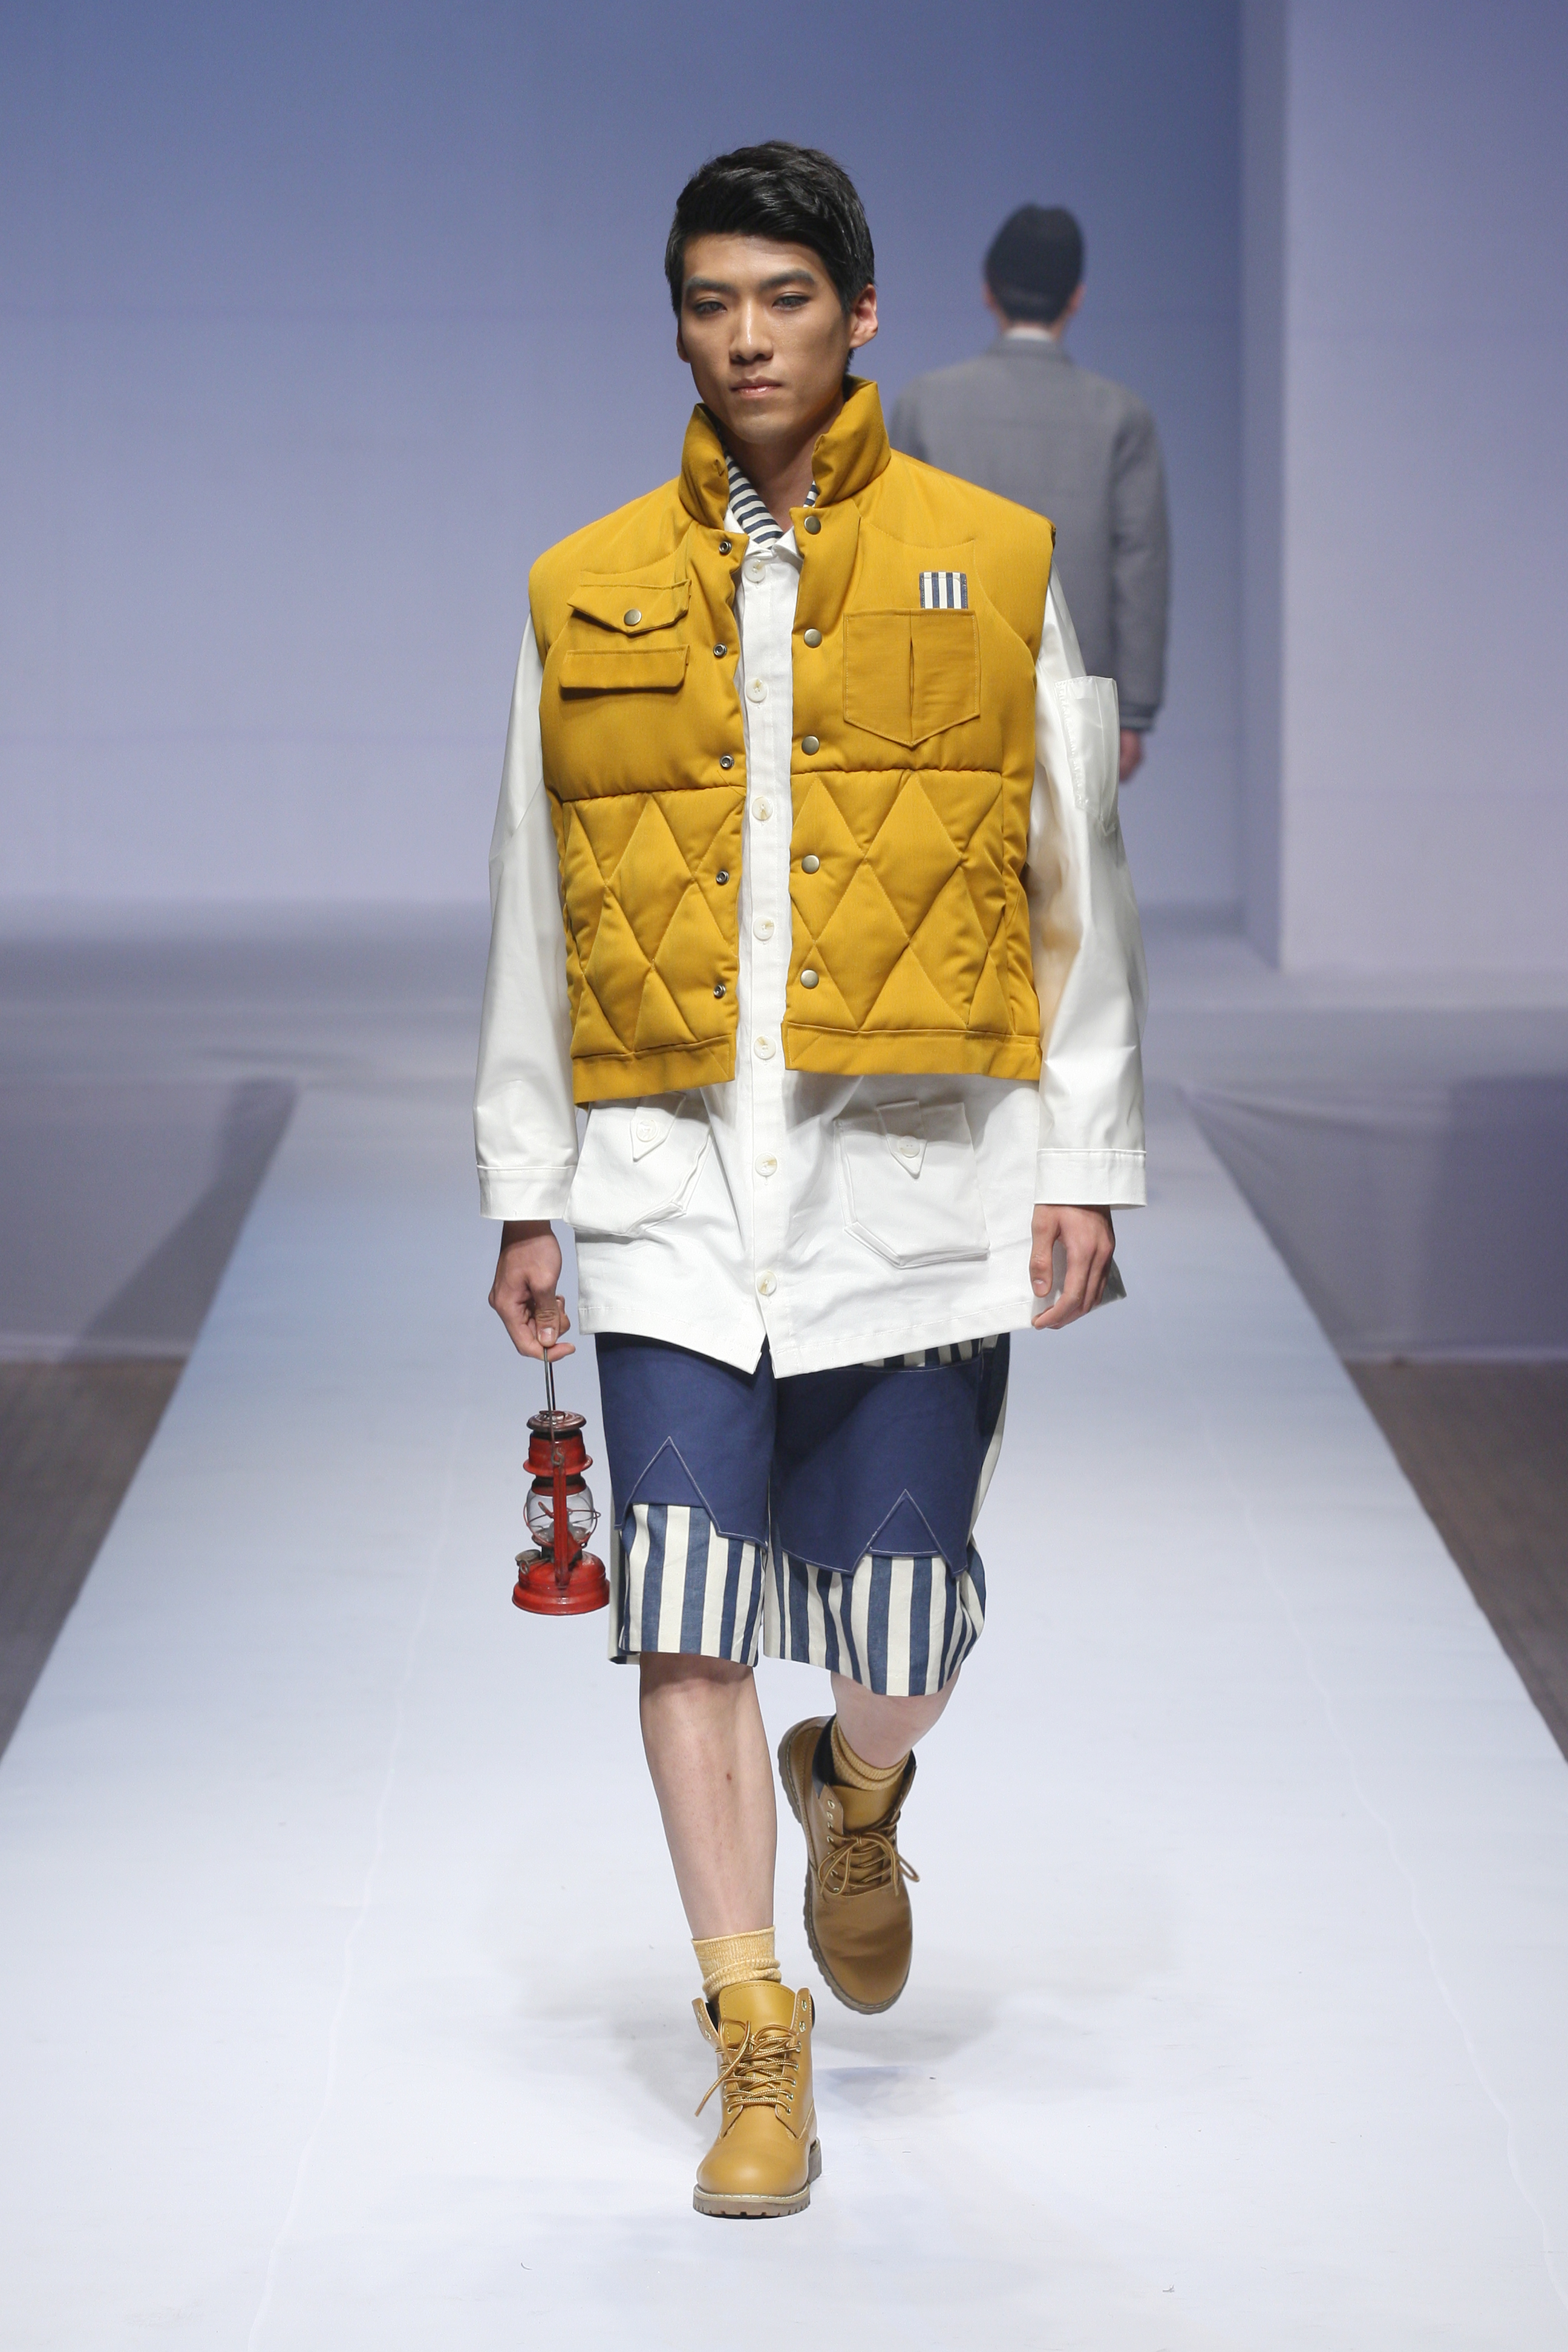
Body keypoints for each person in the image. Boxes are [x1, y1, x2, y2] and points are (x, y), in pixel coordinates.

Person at [475, 143, 1146, 2220]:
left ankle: (857, 1785)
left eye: (783, 299)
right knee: (682, 1623)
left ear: (859, 316)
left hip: (913, 1179)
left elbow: (1073, 879)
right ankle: (753, 2037)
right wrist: (523, 1182)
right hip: (670, 1175)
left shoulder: (992, 560)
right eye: (710, 302)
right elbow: (533, 897)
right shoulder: (585, 584)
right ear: (678, 325)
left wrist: (1086, 1159)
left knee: (908, 1633)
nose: (745, 338)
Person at [890, 204, 1169, 786]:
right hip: (1079, 692)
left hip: (948, 691)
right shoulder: (1120, 416)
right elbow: (1139, 564)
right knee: (1069, 845)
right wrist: (1134, 711)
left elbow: (892, 553)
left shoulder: (926, 404)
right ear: (1077, 297)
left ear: (988, 288)